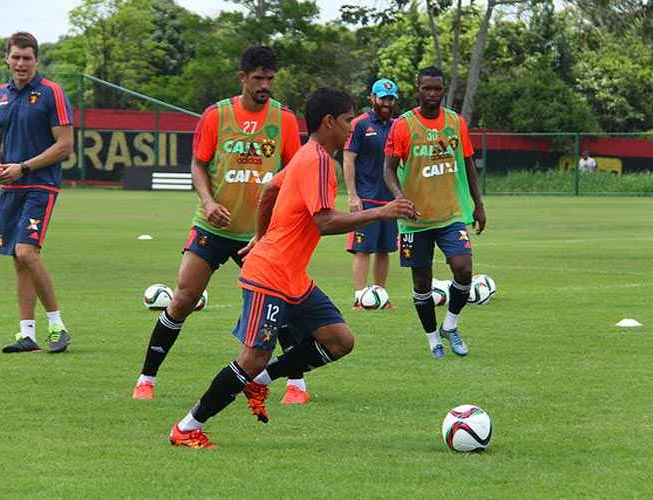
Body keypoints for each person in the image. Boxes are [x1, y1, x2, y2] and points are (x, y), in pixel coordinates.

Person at [168, 86, 417, 448]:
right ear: (329, 122)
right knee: (253, 357)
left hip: (292, 277)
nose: (351, 128)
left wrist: (259, 235)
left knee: (339, 340)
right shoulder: (316, 161)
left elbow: (269, 190)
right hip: (270, 274)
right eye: (348, 120)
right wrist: (383, 211)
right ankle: (187, 427)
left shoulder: (307, 155)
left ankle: (260, 382)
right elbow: (324, 222)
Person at [132, 46, 310, 405]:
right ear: (242, 77)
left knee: (281, 308)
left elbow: (294, 169)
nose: (264, 85)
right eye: (258, 78)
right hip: (213, 228)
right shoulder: (217, 115)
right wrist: (209, 202)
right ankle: (146, 379)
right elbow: (198, 165)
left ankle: (296, 386)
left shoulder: (285, 120)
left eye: (270, 78)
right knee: (183, 298)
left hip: (261, 235)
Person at [383, 66, 486, 359]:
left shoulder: (455, 121)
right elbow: (388, 171)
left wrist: (479, 205)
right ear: (418, 90)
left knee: (464, 267)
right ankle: (432, 339)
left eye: (437, 89)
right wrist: (400, 199)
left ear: (443, 90)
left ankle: (451, 325)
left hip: (451, 214)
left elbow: (468, 164)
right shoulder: (403, 125)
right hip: (414, 221)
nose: (432, 94)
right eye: (426, 88)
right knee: (421, 282)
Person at [0, 32, 74, 354]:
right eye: (15, 57)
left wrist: (23, 167)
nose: (21, 63)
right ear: (7, 59)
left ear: (36, 60)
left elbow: (65, 145)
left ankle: (57, 326)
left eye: (27, 58)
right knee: (17, 259)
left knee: (26, 252)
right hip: (10, 186)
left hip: (40, 184)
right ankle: (28, 335)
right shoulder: (1, 95)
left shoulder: (52, 93)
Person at [343, 78, 400, 308]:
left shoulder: (398, 125)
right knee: (363, 249)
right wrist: (352, 195)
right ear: (372, 99)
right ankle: (360, 297)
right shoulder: (359, 124)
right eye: (383, 98)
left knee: (385, 249)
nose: (387, 102)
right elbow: (348, 159)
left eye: (390, 98)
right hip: (366, 198)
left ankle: (380, 296)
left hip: (390, 199)